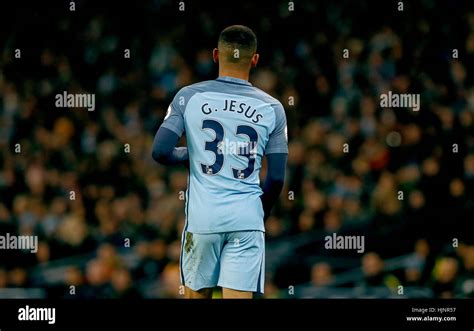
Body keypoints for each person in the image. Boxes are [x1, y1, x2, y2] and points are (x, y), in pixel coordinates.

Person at [151, 25, 288, 298]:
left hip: (204, 220)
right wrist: (262, 211)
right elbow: (276, 178)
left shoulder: (189, 96)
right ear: (255, 59)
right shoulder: (272, 108)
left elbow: (161, 151)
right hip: (246, 218)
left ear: (215, 55)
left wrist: (193, 153)